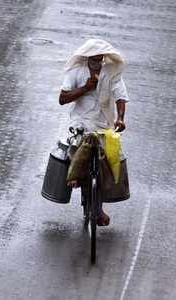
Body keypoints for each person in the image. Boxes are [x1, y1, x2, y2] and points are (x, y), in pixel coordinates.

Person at [59, 39, 130, 226]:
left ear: (103, 59)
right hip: (81, 122)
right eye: (93, 60)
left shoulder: (111, 73)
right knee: (78, 151)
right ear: (87, 58)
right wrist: (86, 88)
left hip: (103, 124)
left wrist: (120, 118)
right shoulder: (75, 72)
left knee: (111, 159)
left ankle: (98, 207)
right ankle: (74, 180)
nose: (96, 64)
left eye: (99, 60)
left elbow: (121, 97)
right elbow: (62, 98)